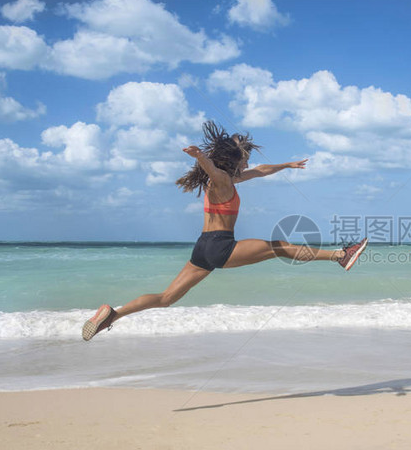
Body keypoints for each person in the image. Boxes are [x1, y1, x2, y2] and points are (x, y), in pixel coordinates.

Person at [81, 121, 368, 341]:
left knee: (166, 298)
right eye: (244, 158)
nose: (247, 163)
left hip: (202, 248)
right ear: (233, 159)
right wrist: (199, 157)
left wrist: (287, 164)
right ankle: (341, 255)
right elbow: (212, 170)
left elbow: (262, 170)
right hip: (220, 246)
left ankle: (112, 315)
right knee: (278, 246)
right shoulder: (221, 181)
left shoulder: (230, 179)